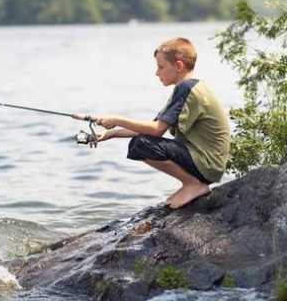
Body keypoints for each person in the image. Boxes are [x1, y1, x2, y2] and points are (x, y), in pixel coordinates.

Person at [73, 38, 230, 209]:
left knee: (141, 145)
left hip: (207, 164)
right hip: (208, 164)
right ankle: (191, 183)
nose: (157, 73)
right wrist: (111, 133)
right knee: (141, 142)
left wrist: (117, 119)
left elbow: (156, 131)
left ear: (178, 66)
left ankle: (193, 184)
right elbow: (155, 125)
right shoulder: (189, 88)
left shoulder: (186, 88)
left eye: (161, 67)